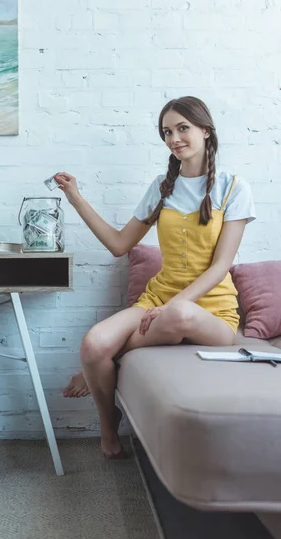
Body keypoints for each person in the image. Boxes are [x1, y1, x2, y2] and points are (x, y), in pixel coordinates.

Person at [57, 96, 255, 459]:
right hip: (156, 301)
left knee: (177, 316)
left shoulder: (233, 187)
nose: (174, 138)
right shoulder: (162, 187)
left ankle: (102, 368)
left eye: (183, 128)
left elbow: (221, 265)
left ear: (205, 131)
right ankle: (108, 425)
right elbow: (120, 244)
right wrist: (75, 198)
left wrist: (176, 305)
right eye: (167, 132)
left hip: (211, 314)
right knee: (92, 344)